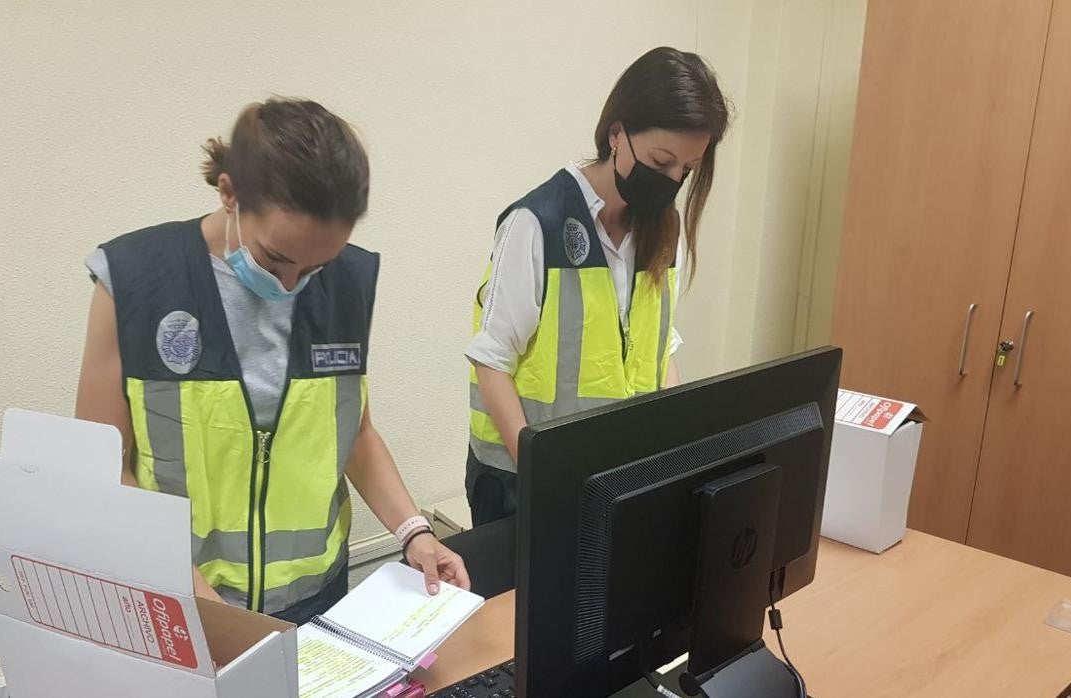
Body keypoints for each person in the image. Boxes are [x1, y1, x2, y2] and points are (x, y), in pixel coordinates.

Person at [76, 98, 469, 624]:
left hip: (317, 597)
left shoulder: (348, 282)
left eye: (317, 266)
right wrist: (200, 604)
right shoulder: (133, 280)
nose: (291, 286)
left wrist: (414, 533)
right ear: (230, 192)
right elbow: (101, 466)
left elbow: (354, 434)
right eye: (277, 258)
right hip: (180, 598)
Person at [465, 47, 731, 525]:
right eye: (661, 159)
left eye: (686, 171)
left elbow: (658, 348)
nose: (671, 181)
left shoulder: (662, 231)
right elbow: (492, 361)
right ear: (617, 134)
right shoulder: (536, 224)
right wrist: (540, 472)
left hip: (616, 483)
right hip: (522, 487)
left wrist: (672, 441)